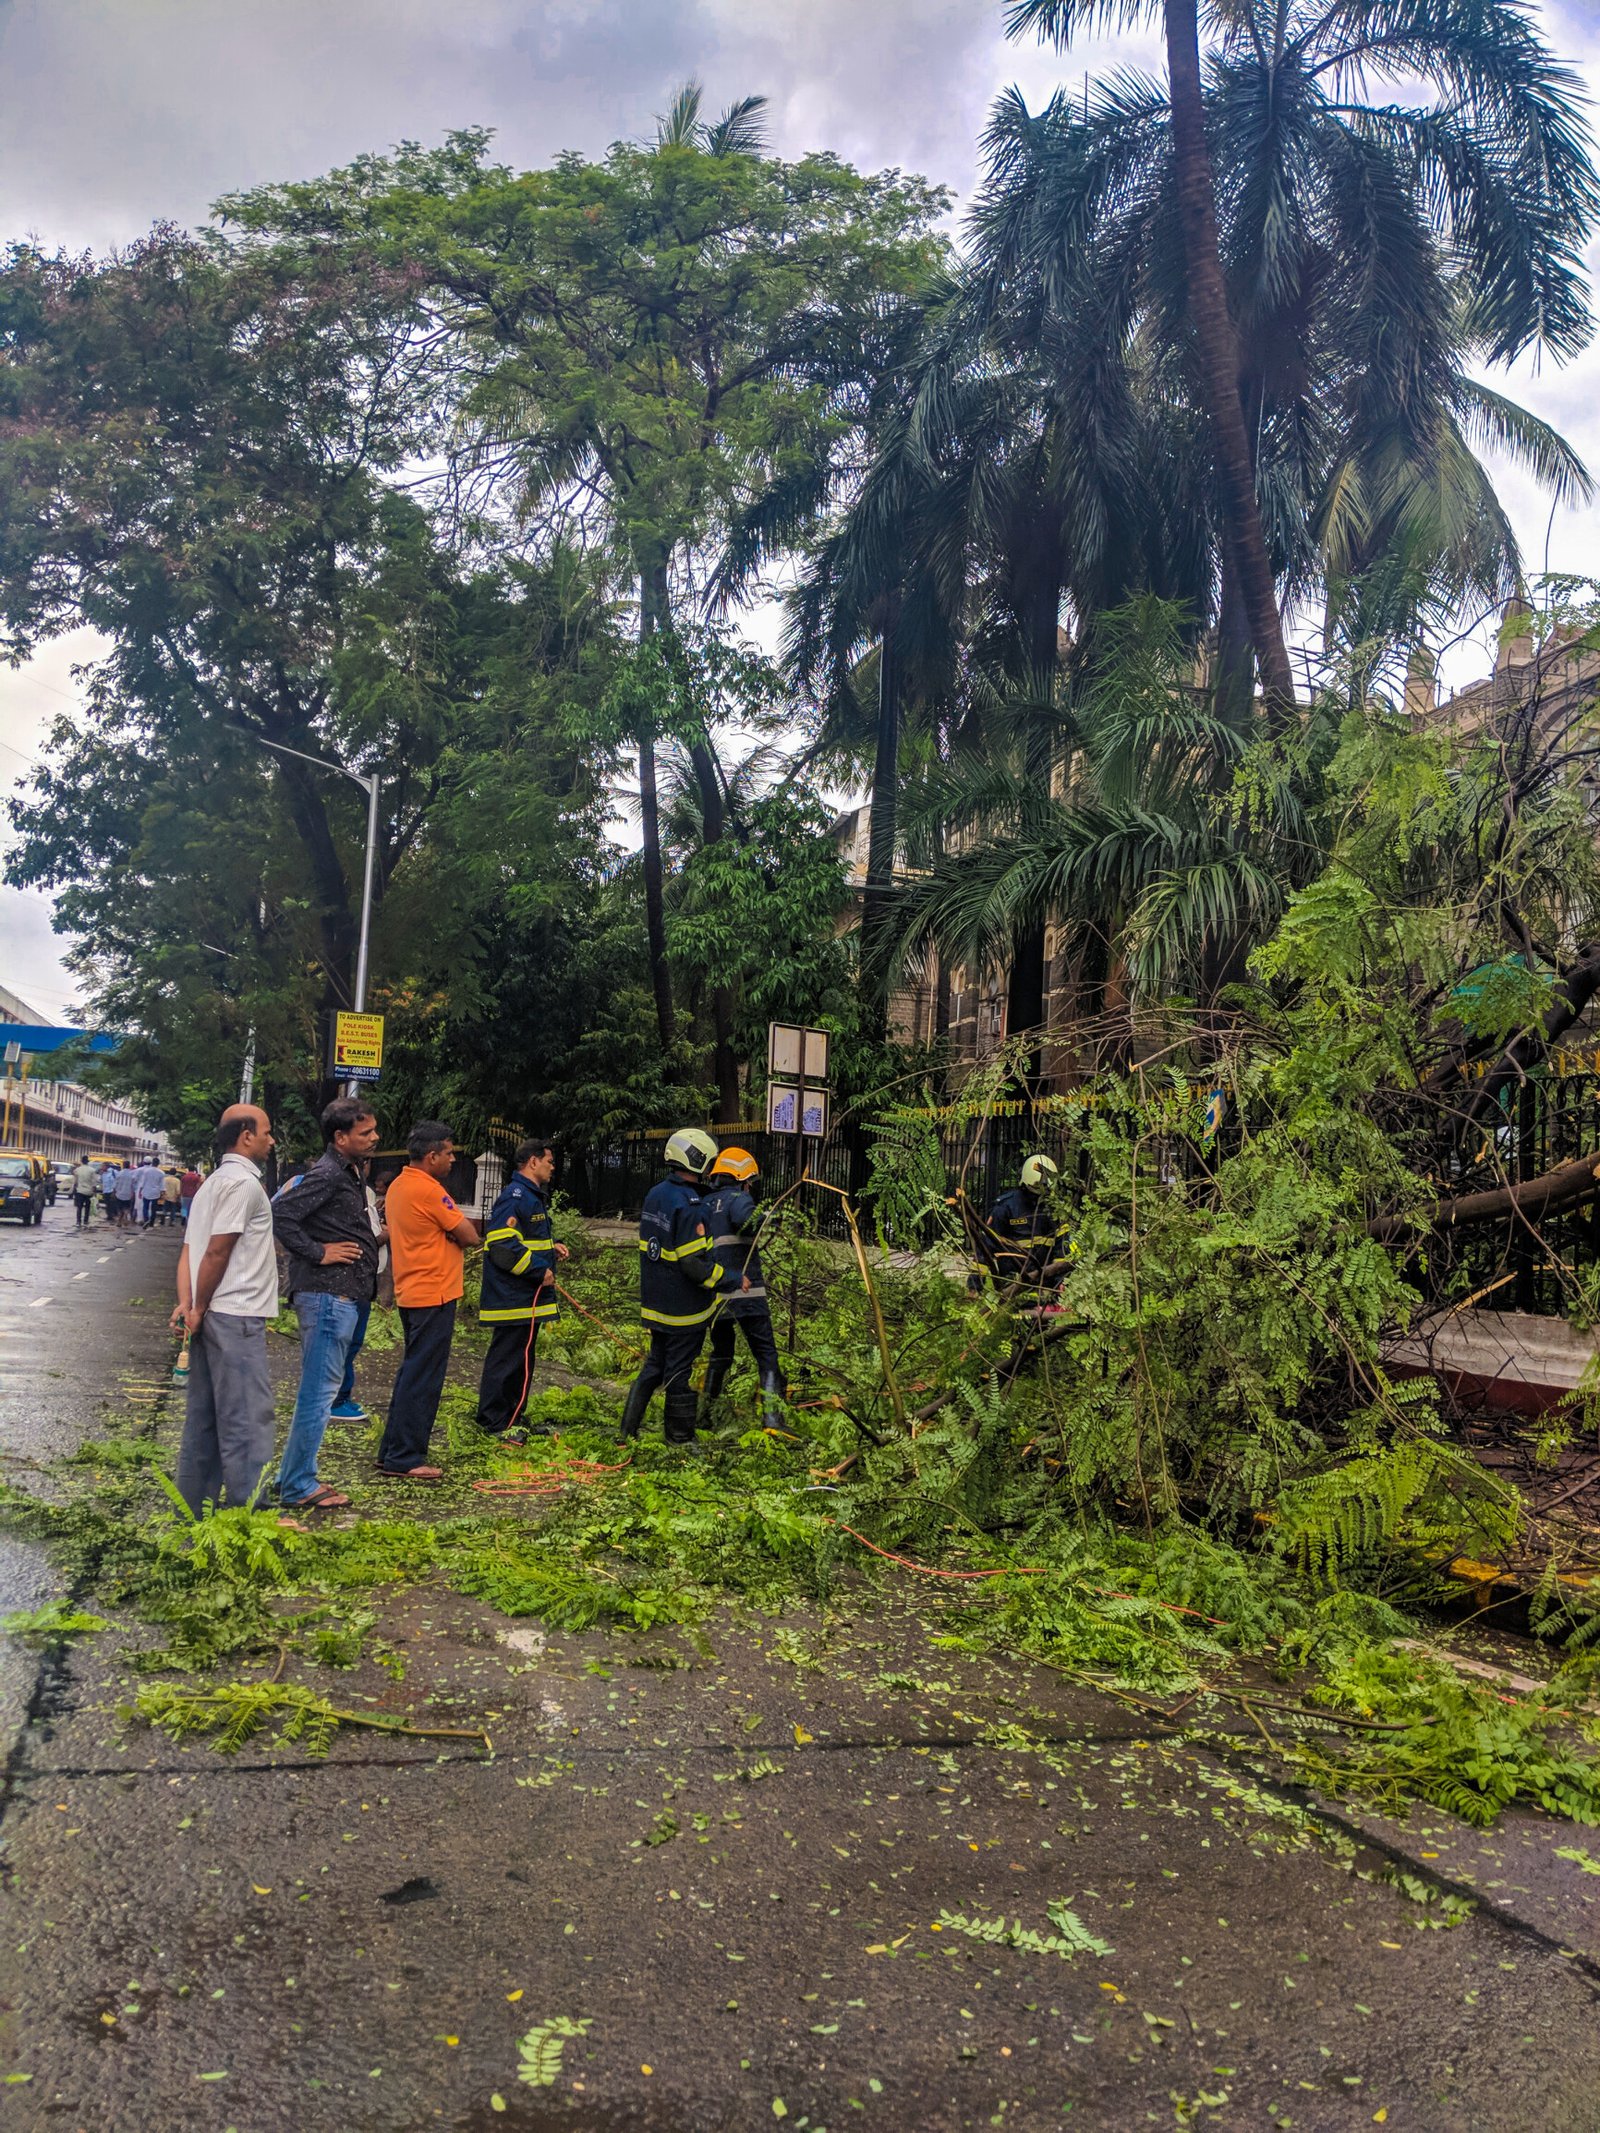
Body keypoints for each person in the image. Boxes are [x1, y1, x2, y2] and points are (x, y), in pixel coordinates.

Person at [271, 1098, 382, 1512]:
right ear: (340, 1137)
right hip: (328, 1297)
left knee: (321, 1391)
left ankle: (292, 1477)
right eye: (365, 1133)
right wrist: (318, 1252)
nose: (375, 1138)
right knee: (319, 1394)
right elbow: (281, 1214)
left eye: (373, 1130)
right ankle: (299, 1485)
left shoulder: (350, 1172)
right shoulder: (328, 1173)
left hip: (341, 1296)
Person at [169, 1105, 279, 1515]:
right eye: (267, 1132)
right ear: (246, 1135)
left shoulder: (212, 1183)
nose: (271, 1140)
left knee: (206, 1419)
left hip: (210, 1311)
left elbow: (189, 1251)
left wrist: (188, 1304)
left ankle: (192, 1510)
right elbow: (216, 1250)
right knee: (248, 1419)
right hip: (235, 1313)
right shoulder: (243, 1185)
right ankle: (252, 1515)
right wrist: (196, 1306)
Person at [619, 1126, 735, 1447]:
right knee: (679, 1374)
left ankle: (626, 1431)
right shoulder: (692, 1205)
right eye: (709, 1162)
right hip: (684, 1310)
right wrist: (728, 1279)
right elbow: (693, 1264)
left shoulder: (657, 1193)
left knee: (655, 1366)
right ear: (696, 1159)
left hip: (656, 1303)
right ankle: (680, 1440)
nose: (711, 1170)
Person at [377, 1122, 479, 1479]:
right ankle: (405, 1456)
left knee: (411, 1372)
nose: (453, 1159)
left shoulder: (398, 1187)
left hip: (411, 1290)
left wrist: (449, 1236)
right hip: (434, 1292)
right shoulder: (429, 1190)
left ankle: (391, 1449)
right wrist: (453, 1237)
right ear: (432, 1156)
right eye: (449, 1153)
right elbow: (468, 1234)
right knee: (423, 1377)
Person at [476, 1137, 568, 1442]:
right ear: (533, 1161)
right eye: (549, 1161)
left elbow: (523, 1238)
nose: (552, 1167)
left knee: (522, 1360)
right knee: (507, 1360)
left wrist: (551, 1249)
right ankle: (495, 1422)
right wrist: (539, 1269)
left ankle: (514, 1416)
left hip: (526, 1298)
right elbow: (502, 1246)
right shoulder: (516, 1196)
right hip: (514, 1298)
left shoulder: (530, 1196)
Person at [696, 1146, 786, 1429]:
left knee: (722, 1353)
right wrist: (768, 1216)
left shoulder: (704, 1203)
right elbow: (749, 1223)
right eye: (749, 1183)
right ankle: (773, 1419)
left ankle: (706, 1416)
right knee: (766, 1354)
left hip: (714, 1294)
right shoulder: (739, 1199)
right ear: (742, 1179)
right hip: (746, 1294)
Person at [70, 1155, 100, 1229]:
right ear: (88, 1161)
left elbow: (75, 1181)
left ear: (81, 1161)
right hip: (89, 1191)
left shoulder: (77, 1170)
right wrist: (94, 1192)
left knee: (79, 1207)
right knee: (87, 1207)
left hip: (80, 1191)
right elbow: (94, 1182)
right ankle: (85, 1221)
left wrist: (75, 1189)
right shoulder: (92, 1170)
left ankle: (78, 1221)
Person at [135, 1154, 164, 1228]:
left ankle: (146, 1219)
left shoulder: (147, 1171)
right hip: (155, 1193)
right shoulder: (161, 1173)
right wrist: (162, 1193)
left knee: (145, 1207)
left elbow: (143, 1182)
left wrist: (140, 1191)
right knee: (154, 1208)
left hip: (146, 1191)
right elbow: (162, 1185)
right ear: (158, 1164)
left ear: (152, 1163)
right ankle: (152, 1222)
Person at [112, 1160, 138, 1227]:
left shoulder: (119, 1173)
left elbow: (115, 1184)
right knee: (126, 1207)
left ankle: (119, 1222)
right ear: (129, 1166)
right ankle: (125, 1215)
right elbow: (134, 1186)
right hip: (128, 1194)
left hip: (119, 1194)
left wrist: (114, 1192)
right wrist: (133, 1193)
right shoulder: (132, 1174)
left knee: (120, 1209)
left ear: (123, 1165)